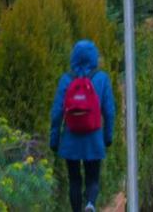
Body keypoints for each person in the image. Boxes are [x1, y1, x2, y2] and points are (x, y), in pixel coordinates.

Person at [49, 38, 115, 212]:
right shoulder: (101, 78)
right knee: (93, 178)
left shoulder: (66, 79)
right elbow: (109, 111)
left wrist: (54, 139)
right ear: (94, 57)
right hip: (94, 138)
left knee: (74, 180)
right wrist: (108, 137)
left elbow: (57, 112)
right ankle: (91, 204)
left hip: (71, 138)